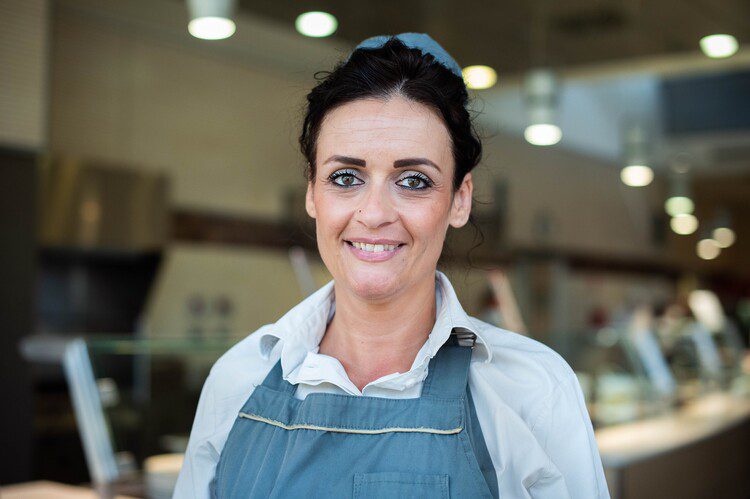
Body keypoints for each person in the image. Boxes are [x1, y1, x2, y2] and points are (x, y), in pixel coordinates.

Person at [173, 33, 609, 499]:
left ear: (459, 200)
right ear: (312, 193)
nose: (375, 213)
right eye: (346, 177)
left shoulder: (533, 391)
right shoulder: (237, 378)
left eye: (414, 181)